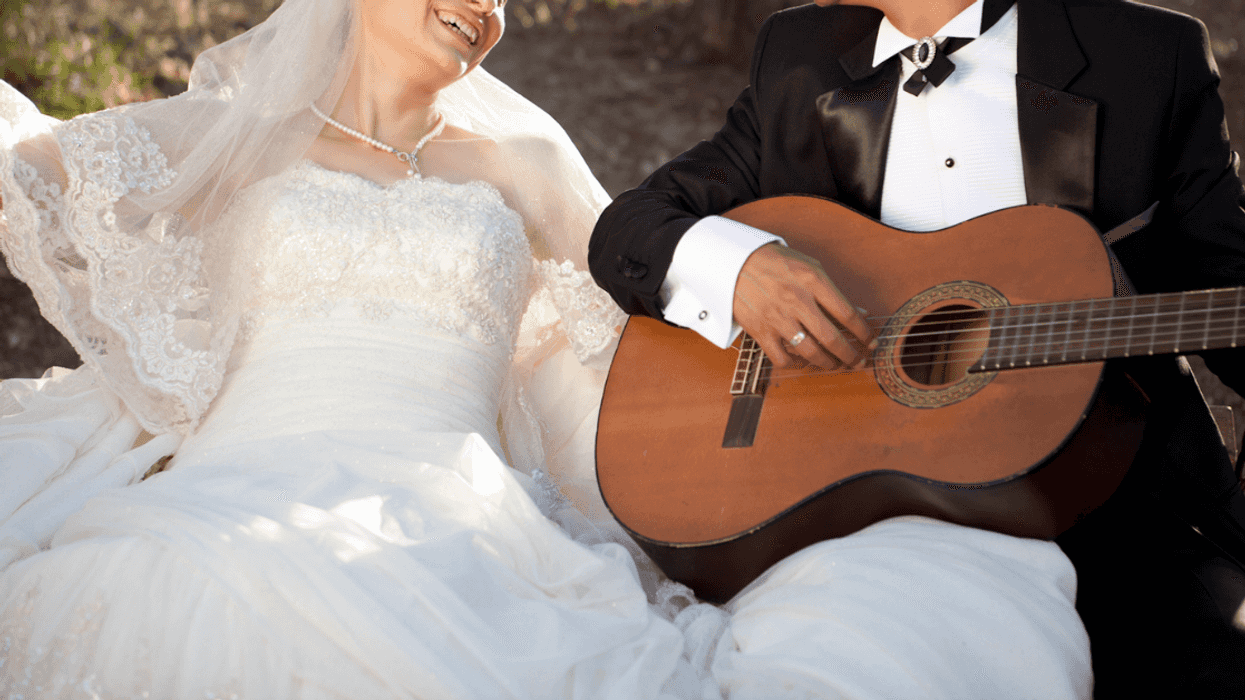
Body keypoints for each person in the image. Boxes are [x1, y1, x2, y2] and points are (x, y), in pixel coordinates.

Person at [0, 0, 1089, 696]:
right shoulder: (242, 137)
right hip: (233, 496)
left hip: (456, 514)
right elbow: (34, 166)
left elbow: (654, 313)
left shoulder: (518, 161)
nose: (487, 9)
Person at [590, 0, 1245, 696]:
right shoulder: (800, 51)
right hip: (858, 513)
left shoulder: (1144, 52)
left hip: (1123, 497)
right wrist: (742, 270)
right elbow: (629, 229)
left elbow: (1224, 275)